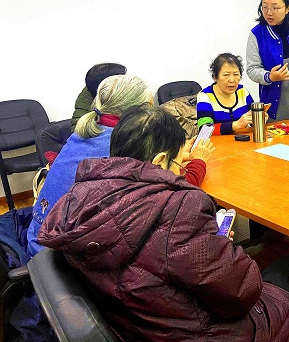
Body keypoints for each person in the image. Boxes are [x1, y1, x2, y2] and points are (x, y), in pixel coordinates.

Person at [37, 106, 289, 342]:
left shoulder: (80, 198)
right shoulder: (178, 212)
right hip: (206, 340)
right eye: (180, 163)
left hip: (143, 332)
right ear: (159, 162)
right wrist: (221, 246)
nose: (182, 172)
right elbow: (242, 292)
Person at [27, 75, 215, 256]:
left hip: (40, 240)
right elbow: (172, 192)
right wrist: (198, 161)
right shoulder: (124, 144)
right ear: (138, 112)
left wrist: (175, 155)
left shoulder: (87, 131)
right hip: (61, 256)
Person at [197, 53, 255, 135]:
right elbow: (204, 131)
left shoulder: (242, 91)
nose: (232, 80)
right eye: (226, 75)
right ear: (215, 77)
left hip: (243, 140)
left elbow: (251, 119)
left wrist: (259, 119)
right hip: (217, 142)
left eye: (236, 74)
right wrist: (236, 125)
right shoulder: (205, 96)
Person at [70, 62, 127, 132]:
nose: (126, 83)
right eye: (122, 80)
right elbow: (78, 132)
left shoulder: (128, 93)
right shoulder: (86, 103)